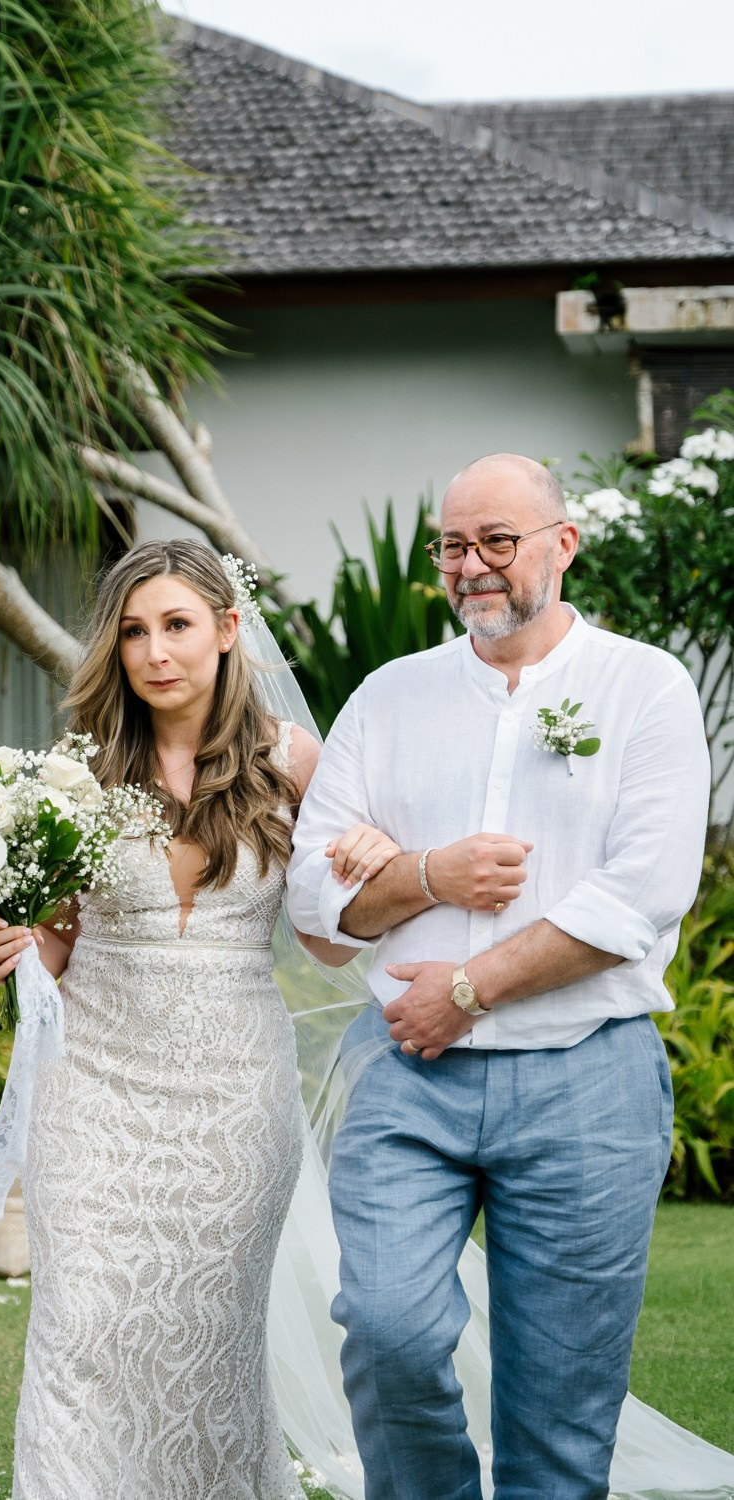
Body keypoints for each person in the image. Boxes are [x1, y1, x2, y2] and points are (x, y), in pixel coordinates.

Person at [286, 452, 713, 1500]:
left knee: (561, 1410)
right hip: (404, 1075)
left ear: (561, 546)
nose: (471, 566)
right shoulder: (388, 699)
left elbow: (638, 897)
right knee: (387, 1329)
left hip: (588, 1081)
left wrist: (465, 988)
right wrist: (427, 874)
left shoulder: (643, 687)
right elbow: (312, 903)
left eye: (496, 542)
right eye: (452, 546)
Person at [0, 539, 392, 1500]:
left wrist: (362, 855)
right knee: (79, 1329)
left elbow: (330, 942)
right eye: (132, 632)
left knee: (210, 1340)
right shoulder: (76, 772)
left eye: (176, 625)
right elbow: (55, 943)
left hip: (234, 1097)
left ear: (227, 631)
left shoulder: (295, 762)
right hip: (95, 1088)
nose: (154, 652)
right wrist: (16, 953)